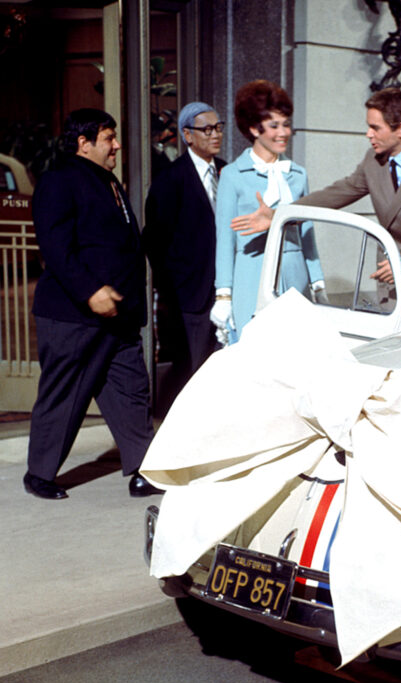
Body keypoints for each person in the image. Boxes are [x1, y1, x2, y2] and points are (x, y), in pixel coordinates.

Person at [230, 87, 401, 316]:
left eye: (375, 128)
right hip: (392, 292)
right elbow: (339, 192)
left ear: (400, 129)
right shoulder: (373, 161)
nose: (368, 134)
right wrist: (281, 214)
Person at [24, 108, 158, 500]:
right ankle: (39, 474)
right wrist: (89, 291)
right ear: (84, 144)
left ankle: (143, 467)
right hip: (73, 316)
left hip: (118, 316)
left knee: (131, 389)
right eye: (108, 137)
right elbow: (55, 248)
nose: (116, 144)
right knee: (64, 393)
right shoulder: (59, 181)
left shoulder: (108, 181)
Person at [211, 80, 322, 342]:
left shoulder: (297, 174)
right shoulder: (232, 175)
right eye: (274, 125)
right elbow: (224, 241)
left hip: (296, 276)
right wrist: (223, 294)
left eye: (286, 124)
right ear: (253, 128)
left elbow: (308, 233)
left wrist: (317, 280)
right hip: (251, 275)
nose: (283, 132)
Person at [144, 102, 226, 402]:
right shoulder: (170, 180)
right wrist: (173, 289)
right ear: (187, 135)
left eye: (218, 127)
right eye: (207, 129)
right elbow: (155, 241)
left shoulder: (227, 172)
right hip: (190, 296)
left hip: (226, 291)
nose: (215, 134)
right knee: (191, 370)